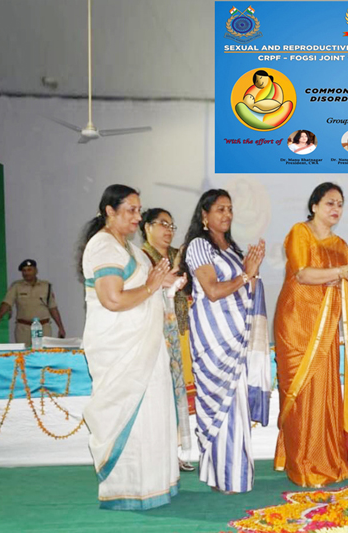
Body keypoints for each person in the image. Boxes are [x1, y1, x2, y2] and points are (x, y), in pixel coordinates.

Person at [79, 184, 183, 510]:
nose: (138, 217)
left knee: (153, 417)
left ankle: (154, 485)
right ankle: (128, 490)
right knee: (131, 420)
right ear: (109, 211)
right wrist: (152, 285)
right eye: (131, 210)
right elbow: (112, 299)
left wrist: (170, 279)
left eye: (139, 210)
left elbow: (156, 282)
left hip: (146, 350)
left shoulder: (132, 250)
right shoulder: (102, 248)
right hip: (121, 352)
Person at [273, 182, 348, 487]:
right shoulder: (298, 233)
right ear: (314, 205)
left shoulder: (341, 244)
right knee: (301, 394)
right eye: (330, 203)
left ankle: (327, 458)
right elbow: (302, 273)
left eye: (340, 204)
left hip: (325, 327)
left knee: (325, 393)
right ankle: (301, 462)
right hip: (296, 325)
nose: (336, 209)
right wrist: (340, 273)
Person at [181, 189, 270, 494]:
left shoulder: (232, 248)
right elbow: (213, 291)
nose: (227, 215)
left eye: (230, 209)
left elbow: (245, 286)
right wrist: (247, 276)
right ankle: (227, 478)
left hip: (237, 338)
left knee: (236, 407)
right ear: (204, 215)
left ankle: (226, 476)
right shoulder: (198, 246)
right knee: (224, 406)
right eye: (220, 209)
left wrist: (251, 275)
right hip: (214, 340)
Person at [140, 208, 195, 473]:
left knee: (179, 393)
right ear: (147, 227)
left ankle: (176, 450)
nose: (169, 230)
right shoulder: (140, 257)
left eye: (172, 225)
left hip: (182, 329)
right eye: (163, 224)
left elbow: (190, 284)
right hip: (155, 331)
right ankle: (157, 453)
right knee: (160, 391)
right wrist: (170, 276)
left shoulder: (178, 255)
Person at [0, 259, 66, 345]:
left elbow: (53, 308)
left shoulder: (46, 286)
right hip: (23, 329)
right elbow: (7, 303)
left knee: (43, 354)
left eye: (29, 270)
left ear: (36, 271)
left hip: (43, 327)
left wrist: (60, 327)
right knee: (24, 355)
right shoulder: (16, 286)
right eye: (24, 271)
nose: (26, 273)